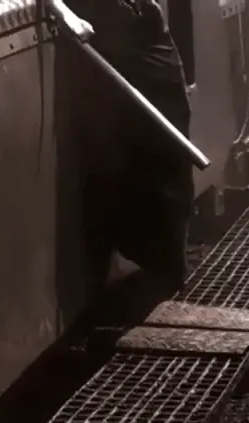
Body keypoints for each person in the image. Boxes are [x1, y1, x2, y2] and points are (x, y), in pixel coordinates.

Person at [78, 0, 194, 284]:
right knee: (162, 167)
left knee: (165, 163)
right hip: (125, 33)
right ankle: (165, 264)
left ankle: (166, 264)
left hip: (142, 39)